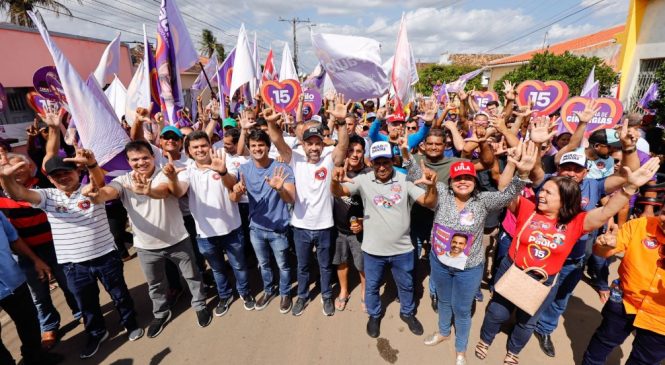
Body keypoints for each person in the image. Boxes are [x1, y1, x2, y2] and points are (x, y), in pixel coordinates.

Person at [475, 157, 660, 365]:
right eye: (542, 190)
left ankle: (513, 350)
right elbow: (504, 188)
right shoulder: (527, 209)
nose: (541, 194)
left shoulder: (577, 222)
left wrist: (630, 187)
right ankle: (485, 339)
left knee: (527, 322)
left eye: (548, 192)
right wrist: (519, 171)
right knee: (496, 312)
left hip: (544, 282)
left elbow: (607, 211)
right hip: (512, 271)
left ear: (564, 199)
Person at [0, 152, 143, 359]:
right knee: (86, 304)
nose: (62, 178)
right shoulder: (48, 196)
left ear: (77, 172)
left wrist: (92, 164)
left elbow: (99, 181)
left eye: (66, 173)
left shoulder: (90, 189)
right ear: (50, 179)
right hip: (73, 264)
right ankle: (97, 333)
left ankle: (130, 322)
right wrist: (5, 178)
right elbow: (19, 194)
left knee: (119, 294)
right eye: (56, 175)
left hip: (105, 256)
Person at [416, 141, 536, 365]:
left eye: (468, 178)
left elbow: (508, 193)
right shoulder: (441, 192)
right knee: (443, 300)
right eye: (458, 178)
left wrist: (524, 172)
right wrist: (406, 152)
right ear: (451, 182)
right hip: (440, 262)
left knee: (462, 310)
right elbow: (420, 179)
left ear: (474, 181)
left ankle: (461, 348)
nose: (463, 182)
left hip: (468, 269)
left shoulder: (483, 200)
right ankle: (443, 332)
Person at [80, 140, 211, 337]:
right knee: (156, 284)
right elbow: (106, 193)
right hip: (145, 246)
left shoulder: (167, 172)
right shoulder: (124, 180)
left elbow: (165, 191)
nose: (141, 162)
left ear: (152, 157)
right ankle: (161, 312)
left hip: (177, 239)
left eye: (144, 158)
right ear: (128, 161)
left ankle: (200, 305)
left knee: (192, 276)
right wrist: (94, 196)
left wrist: (148, 190)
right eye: (135, 160)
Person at [331, 140, 438, 338]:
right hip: (373, 250)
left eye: (386, 162)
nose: (382, 167)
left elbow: (428, 202)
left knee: (406, 285)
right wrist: (335, 181)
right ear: (371, 163)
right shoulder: (364, 179)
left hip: (403, 249)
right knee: (372, 286)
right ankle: (374, 315)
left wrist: (432, 188)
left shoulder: (405, 180)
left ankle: (407, 313)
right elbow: (340, 192)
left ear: (392, 161)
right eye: (377, 162)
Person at [266, 94, 349, 317]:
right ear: (303, 145)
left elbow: (342, 146)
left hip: (324, 226)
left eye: (317, 143)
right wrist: (272, 123)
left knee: (324, 266)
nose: (314, 147)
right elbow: (277, 141)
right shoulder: (295, 158)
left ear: (322, 144)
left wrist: (341, 122)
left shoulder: (329, 159)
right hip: (300, 226)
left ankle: (326, 296)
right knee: (302, 266)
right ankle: (302, 296)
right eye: (309, 143)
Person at [0, 152, 80, 350]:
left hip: (57, 247)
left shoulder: (45, 183)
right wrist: (35, 259)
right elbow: (12, 236)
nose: (16, 171)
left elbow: (50, 152)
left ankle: (80, 314)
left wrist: (54, 128)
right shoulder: (2, 193)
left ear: (30, 167)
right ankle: (49, 326)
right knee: (39, 294)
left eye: (20, 166)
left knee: (69, 284)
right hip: (27, 254)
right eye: (11, 168)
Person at [176, 131, 255, 315]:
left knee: (239, 265)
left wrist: (222, 171)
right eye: (195, 147)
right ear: (188, 150)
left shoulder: (223, 161)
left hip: (232, 228)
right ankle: (225, 296)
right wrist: (172, 178)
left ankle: (245, 292)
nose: (200, 150)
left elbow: (232, 184)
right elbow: (179, 191)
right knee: (218, 269)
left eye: (203, 145)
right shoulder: (186, 171)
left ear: (210, 146)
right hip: (205, 233)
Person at [582, 210, 665, 365]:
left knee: (643, 361)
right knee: (603, 343)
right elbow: (601, 251)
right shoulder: (640, 225)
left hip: (660, 322)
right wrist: (604, 245)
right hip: (623, 303)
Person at [232, 129, 296, 313]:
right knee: (264, 264)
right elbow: (234, 196)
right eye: (253, 145)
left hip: (279, 228)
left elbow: (291, 199)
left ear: (268, 147)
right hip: (256, 229)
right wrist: (237, 191)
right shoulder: (243, 170)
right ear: (248, 148)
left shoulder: (281, 168)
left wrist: (280, 189)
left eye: (261, 145)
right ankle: (269, 290)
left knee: (283, 265)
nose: (257, 148)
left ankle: (285, 293)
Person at [0, 210, 64, 365]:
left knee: (29, 322)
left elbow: (13, 238)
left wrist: (36, 260)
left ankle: (34, 357)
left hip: (12, 279)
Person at [332, 135, 370, 312]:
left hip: (360, 231)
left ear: (363, 153)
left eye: (359, 151)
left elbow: (374, 205)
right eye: (351, 150)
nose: (355, 154)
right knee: (341, 262)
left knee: (362, 265)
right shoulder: (337, 170)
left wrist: (362, 222)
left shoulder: (369, 174)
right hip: (338, 229)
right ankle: (344, 290)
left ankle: (364, 292)